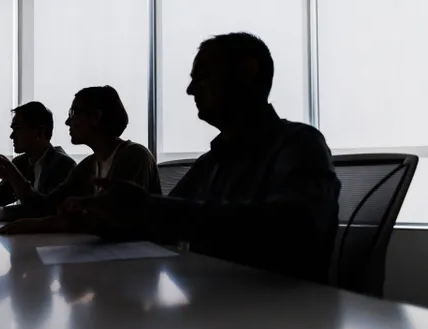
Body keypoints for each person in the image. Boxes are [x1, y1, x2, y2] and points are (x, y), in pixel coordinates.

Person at [73, 33, 341, 284]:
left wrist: (145, 208)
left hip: (285, 314)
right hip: (218, 304)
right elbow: (161, 222)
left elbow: (295, 228)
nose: (190, 89)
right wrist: (107, 220)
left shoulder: (300, 143)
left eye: (201, 76)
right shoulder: (211, 162)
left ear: (247, 72)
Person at [0, 85, 161, 234]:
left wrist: (40, 225)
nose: (68, 120)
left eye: (74, 111)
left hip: (138, 266)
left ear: (96, 117)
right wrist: (13, 175)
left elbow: (119, 221)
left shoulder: (136, 156)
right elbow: (44, 205)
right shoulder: (89, 165)